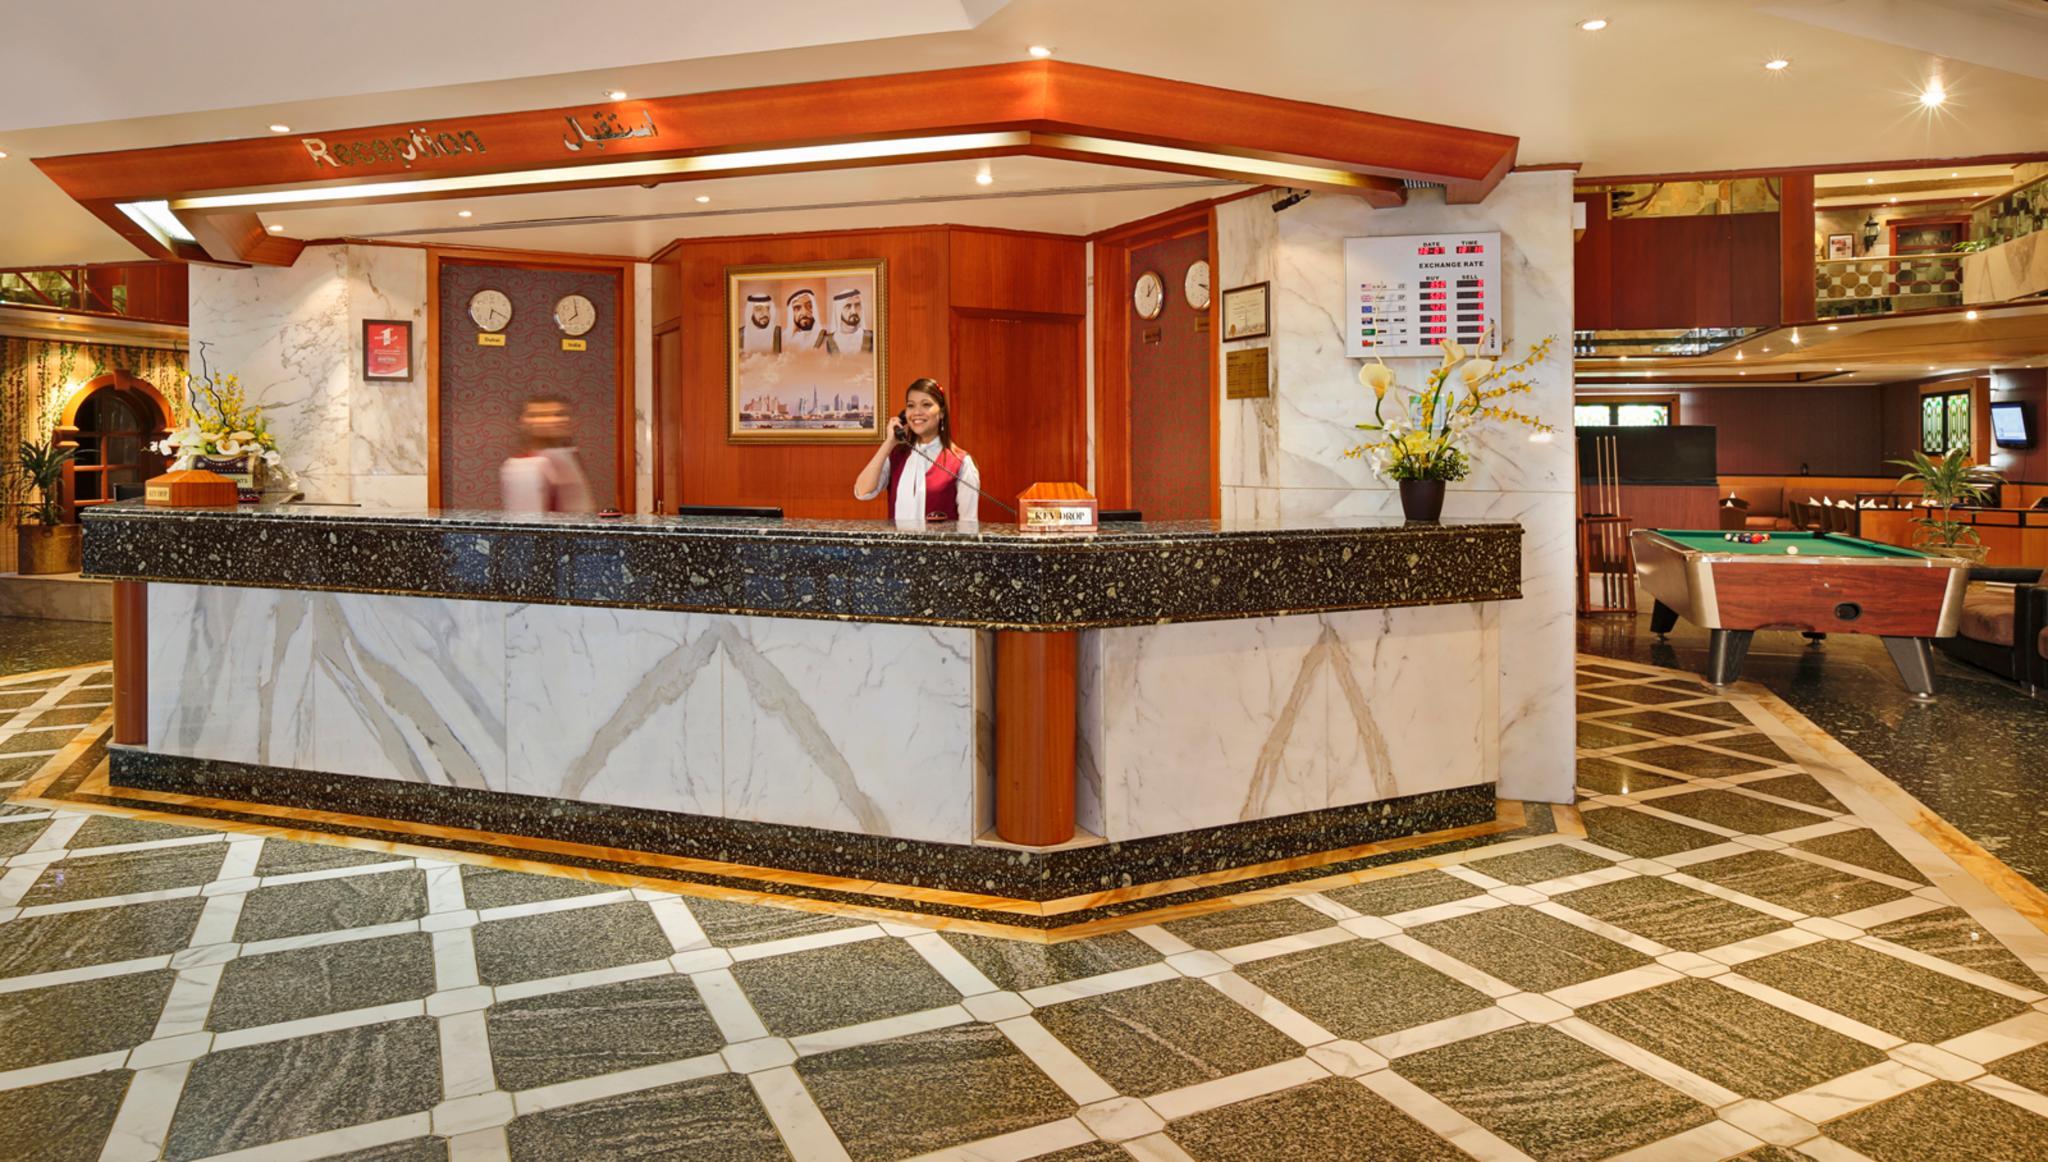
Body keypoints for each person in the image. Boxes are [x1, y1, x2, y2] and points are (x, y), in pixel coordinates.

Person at [853, 378, 980, 522]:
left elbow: (969, 525)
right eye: (911, 405)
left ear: (942, 413)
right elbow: (862, 492)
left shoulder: (961, 463)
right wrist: (888, 443)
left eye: (926, 404)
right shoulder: (897, 456)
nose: (917, 412)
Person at [500, 395, 594, 513]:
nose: (555, 420)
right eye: (540, 415)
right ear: (524, 422)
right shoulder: (524, 466)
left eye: (560, 414)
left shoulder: (568, 457)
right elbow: (526, 519)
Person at [822, 287, 873, 355]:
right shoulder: (828, 341)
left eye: (857, 305)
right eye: (848, 307)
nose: (854, 311)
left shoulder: (873, 337)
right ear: (839, 311)